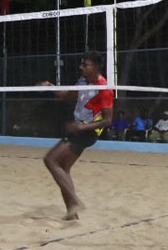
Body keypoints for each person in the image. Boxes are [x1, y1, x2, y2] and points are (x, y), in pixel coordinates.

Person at [38, 51, 114, 221]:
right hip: (78, 130)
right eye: (81, 64)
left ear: (96, 67)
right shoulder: (83, 81)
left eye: (85, 65)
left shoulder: (104, 88)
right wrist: (50, 86)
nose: (81, 67)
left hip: (87, 132)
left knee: (50, 160)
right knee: (63, 169)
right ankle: (72, 214)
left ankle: (75, 201)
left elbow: (107, 120)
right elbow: (67, 95)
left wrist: (81, 126)